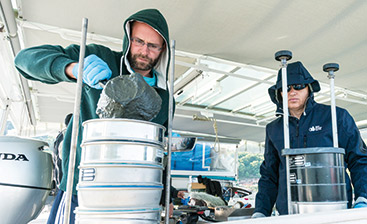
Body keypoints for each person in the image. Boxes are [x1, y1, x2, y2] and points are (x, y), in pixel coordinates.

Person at [14, 9, 172, 224]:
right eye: (138, 41)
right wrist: (72, 68)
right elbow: (24, 60)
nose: (144, 51)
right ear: (128, 39)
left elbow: (160, 153)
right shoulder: (101, 58)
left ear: (163, 50)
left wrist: (166, 194)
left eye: (153, 45)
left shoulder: (165, 98)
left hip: (133, 197)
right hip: (80, 188)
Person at [252, 61, 367, 218]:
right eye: (285, 88)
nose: (292, 92)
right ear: (279, 94)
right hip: (289, 215)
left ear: (309, 88)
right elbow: (269, 175)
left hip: (334, 211)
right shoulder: (274, 129)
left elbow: (360, 160)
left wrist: (363, 197)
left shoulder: (336, 117)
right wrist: (261, 211)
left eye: (298, 86)